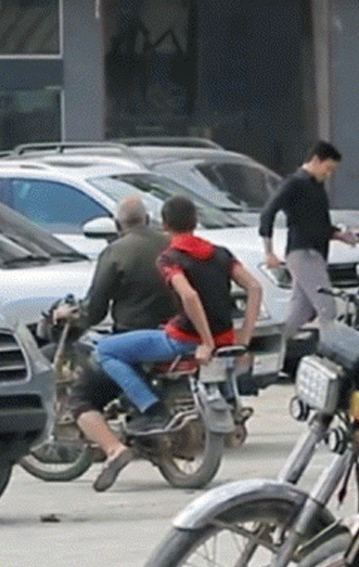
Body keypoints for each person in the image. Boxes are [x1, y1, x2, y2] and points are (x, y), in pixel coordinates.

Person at [90, 195, 262, 491]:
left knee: (106, 349)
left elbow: (190, 296)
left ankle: (150, 408)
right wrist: (243, 337)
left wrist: (204, 342)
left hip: (182, 340)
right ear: (195, 221)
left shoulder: (170, 258)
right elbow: (255, 288)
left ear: (164, 224)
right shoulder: (221, 253)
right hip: (226, 340)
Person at [59, 196, 173, 474]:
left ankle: (114, 448)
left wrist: (74, 316)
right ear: (147, 219)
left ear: (117, 224)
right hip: (177, 332)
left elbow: (95, 308)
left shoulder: (116, 251)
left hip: (134, 338)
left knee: (82, 397)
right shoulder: (171, 244)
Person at [259, 141, 358, 370]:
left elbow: (318, 224)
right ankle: (331, 357)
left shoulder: (315, 187)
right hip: (303, 252)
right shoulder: (295, 183)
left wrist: (340, 235)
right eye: (328, 168)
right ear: (315, 160)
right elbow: (268, 212)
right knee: (327, 307)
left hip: (314, 251)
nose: (329, 174)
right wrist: (268, 250)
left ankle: (273, 352)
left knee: (302, 311)